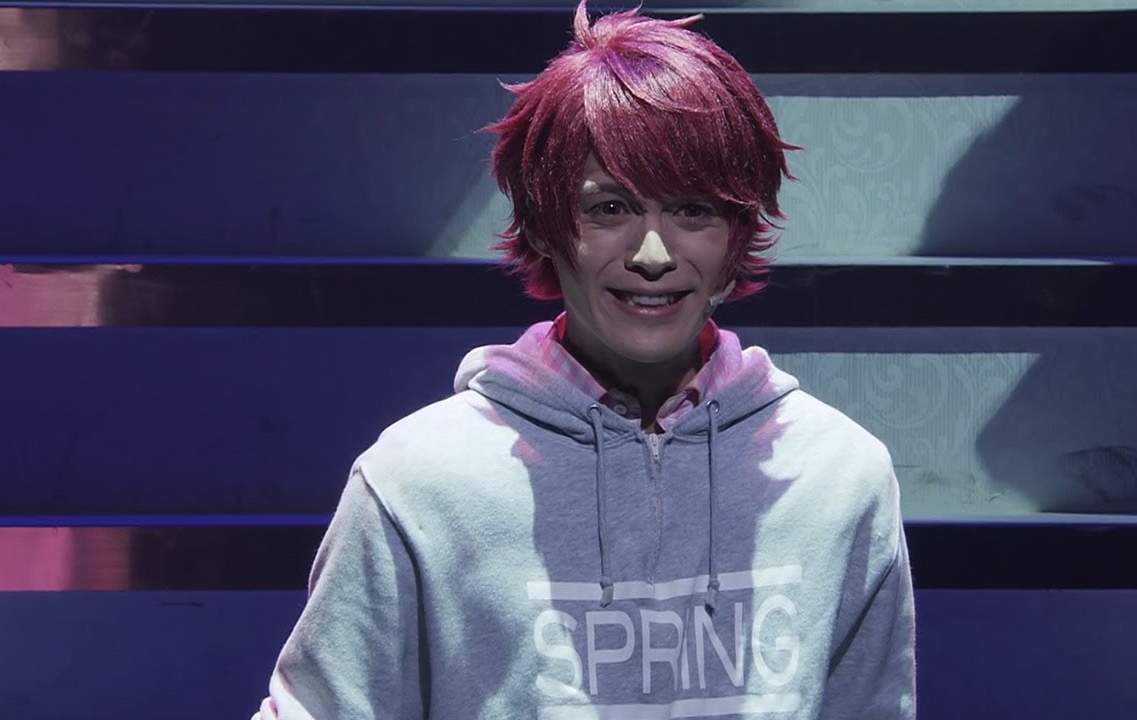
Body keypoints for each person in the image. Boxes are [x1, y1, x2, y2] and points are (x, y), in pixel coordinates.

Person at [255, 3, 916, 717]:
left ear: (736, 233)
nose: (653, 255)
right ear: (544, 225)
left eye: (693, 210)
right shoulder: (419, 481)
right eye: (610, 209)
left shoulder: (839, 475)